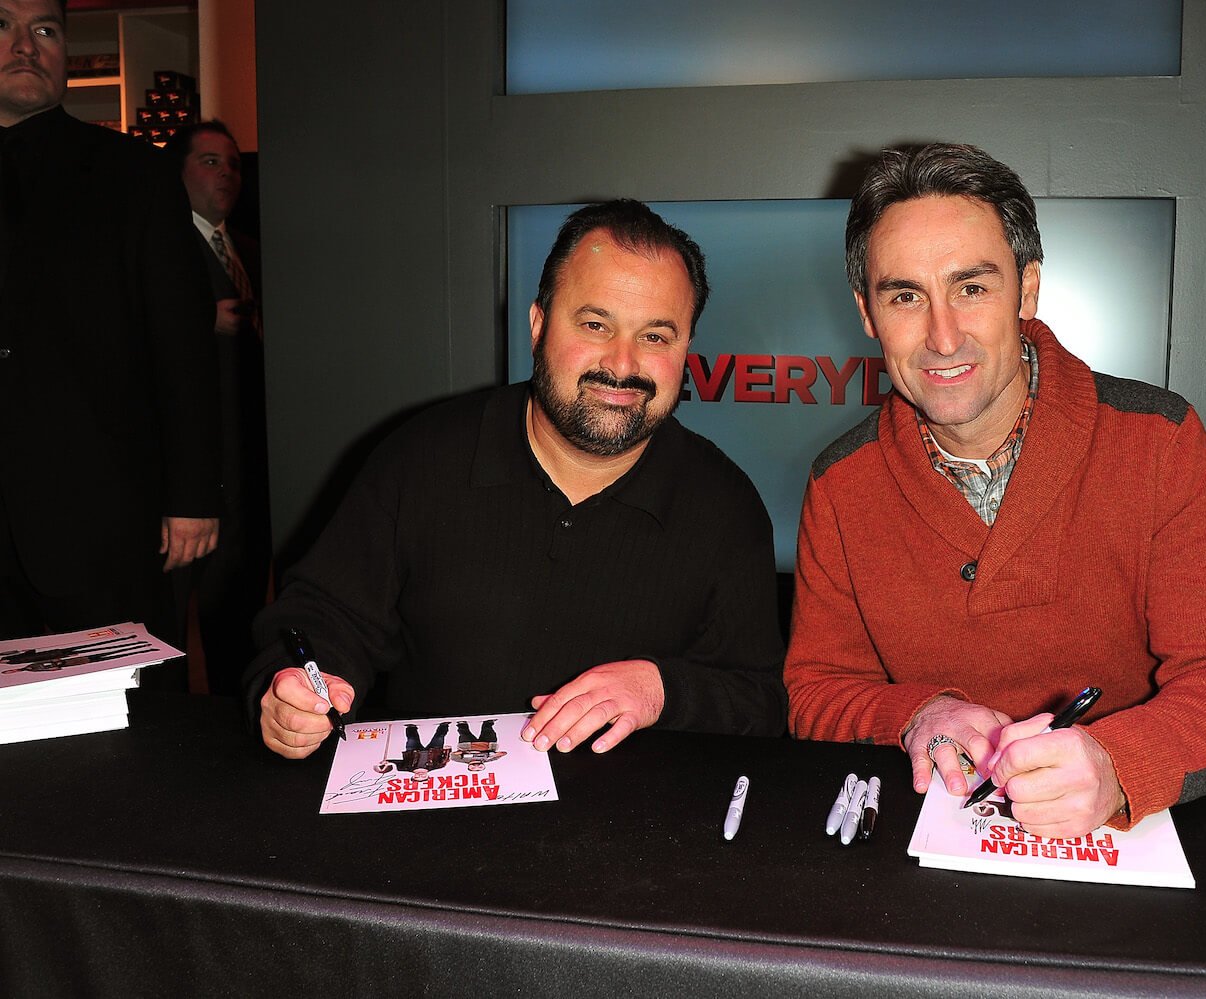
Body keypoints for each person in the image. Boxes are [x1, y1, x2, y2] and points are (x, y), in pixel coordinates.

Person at [784, 143, 1206, 837]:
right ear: (868, 313)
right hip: (926, 855)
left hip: (1131, 844)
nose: (942, 334)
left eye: (972, 287)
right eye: (906, 295)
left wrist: (1118, 762)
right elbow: (816, 692)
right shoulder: (840, 483)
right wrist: (915, 714)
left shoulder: (1157, 439)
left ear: (1026, 289)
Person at [249, 199, 786, 759]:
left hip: (633, 833)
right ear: (538, 325)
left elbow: (761, 702)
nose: (623, 364)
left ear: (686, 351)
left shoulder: (726, 506)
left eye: (656, 336)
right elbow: (321, 620)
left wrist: (664, 691)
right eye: (595, 324)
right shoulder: (422, 457)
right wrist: (292, 694)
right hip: (428, 823)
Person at [0, 0, 219, 647]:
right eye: (3, 26)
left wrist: (193, 492)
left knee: (136, 721)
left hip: (103, 518)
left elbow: (182, 341)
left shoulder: (135, 175)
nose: (25, 45)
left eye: (44, 30)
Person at [164, 120, 271, 694]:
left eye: (232, 163)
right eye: (209, 162)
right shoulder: (159, 249)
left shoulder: (252, 249)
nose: (226, 174)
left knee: (241, 608)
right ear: (178, 171)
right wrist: (198, 322)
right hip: (188, 467)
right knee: (172, 623)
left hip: (250, 465)